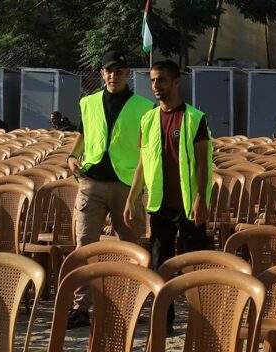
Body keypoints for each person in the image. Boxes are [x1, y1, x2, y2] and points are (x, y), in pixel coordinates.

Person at [66, 50, 154, 328]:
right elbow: (83, 134)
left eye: (119, 71)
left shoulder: (144, 106)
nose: (114, 75)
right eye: (109, 71)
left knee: (130, 248)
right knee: (83, 245)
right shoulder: (88, 103)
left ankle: (131, 304)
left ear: (127, 74)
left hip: (126, 185)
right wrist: (71, 155)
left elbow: (148, 149)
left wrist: (140, 187)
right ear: (102, 74)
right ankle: (81, 307)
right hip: (91, 182)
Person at [125, 60, 212, 335]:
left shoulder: (195, 118)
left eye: (162, 80)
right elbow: (142, 162)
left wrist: (201, 199)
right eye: (153, 81)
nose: (156, 86)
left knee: (195, 264)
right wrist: (132, 197)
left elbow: (202, 163)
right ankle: (164, 322)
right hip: (160, 206)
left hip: (188, 205)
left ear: (176, 82)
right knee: (160, 263)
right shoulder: (148, 119)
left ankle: (202, 320)